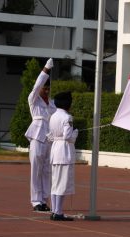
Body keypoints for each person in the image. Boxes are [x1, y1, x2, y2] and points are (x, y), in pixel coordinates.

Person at [25, 58, 56, 211]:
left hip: (49, 137)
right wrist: (46, 69)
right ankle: (36, 201)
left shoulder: (52, 104)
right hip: (37, 136)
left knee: (46, 170)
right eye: (45, 88)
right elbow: (37, 86)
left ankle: (44, 200)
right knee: (36, 169)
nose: (46, 90)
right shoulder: (33, 100)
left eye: (48, 88)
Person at [48, 91, 78, 221]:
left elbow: (50, 135)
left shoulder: (53, 116)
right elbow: (67, 136)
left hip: (55, 150)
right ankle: (58, 212)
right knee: (62, 183)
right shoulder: (67, 117)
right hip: (64, 151)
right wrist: (75, 133)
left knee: (55, 182)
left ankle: (55, 210)